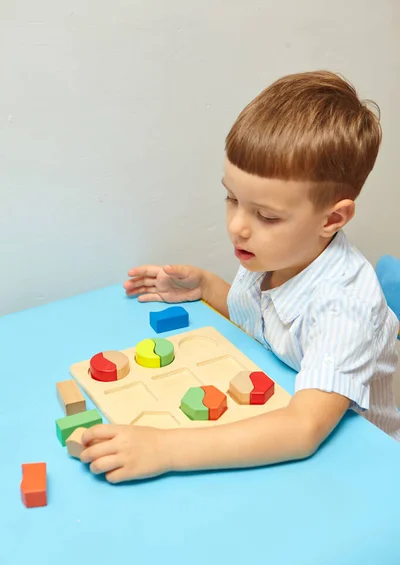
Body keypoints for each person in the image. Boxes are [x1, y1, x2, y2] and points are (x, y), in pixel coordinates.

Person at [80, 70, 400, 483]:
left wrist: (164, 448)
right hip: (283, 397)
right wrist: (207, 287)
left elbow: (302, 430)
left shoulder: (345, 307)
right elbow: (270, 325)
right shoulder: (272, 251)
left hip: (370, 464)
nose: (237, 226)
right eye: (232, 198)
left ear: (332, 218)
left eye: (266, 215)